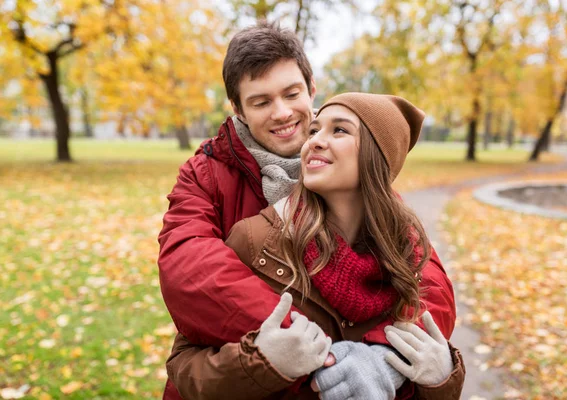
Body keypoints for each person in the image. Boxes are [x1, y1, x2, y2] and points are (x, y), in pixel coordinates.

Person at [158, 22, 456, 400]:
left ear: (311, 87)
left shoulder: (354, 172)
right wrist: (307, 342)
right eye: (261, 102)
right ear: (238, 110)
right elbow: (189, 267)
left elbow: (424, 275)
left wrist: (384, 352)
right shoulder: (208, 175)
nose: (282, 113)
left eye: (291, 93)